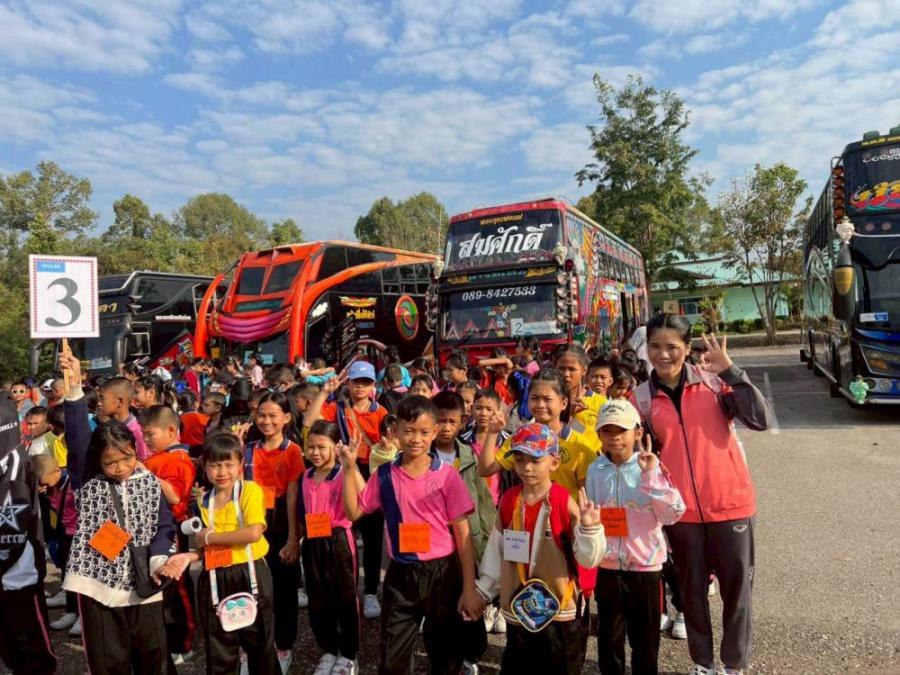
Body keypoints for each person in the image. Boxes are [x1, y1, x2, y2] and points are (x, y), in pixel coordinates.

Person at [632, 314, 771, 675]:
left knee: (737, 592)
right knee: (691, 593)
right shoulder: (641, 398)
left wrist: (732, 372)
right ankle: (703, 663)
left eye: (672, 347)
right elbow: (638, 455)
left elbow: (761, 420)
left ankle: (733, 665)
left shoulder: (714, 382)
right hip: (680, 513)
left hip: (731, 506)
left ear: (686, 347)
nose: (663, 355)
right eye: (655, 346)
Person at [338, 395, 483, 675]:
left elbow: (462, 534)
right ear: (395, 431)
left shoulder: (446, 476)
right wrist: (348, 469)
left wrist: (468, 588)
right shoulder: (384, 475)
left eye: (424, 432)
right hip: (401, 575)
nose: (416, 439)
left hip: (442, 574)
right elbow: (354, 512)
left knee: (444, 653)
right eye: (409, 431)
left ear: (434, 432)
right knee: (393, 657)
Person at [59, 352, 176, 675]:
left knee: (155, 659)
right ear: (97, 461)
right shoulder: (88, 479)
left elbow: (164, 526)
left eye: (127, 458)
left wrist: (159, 559)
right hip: (98, 587)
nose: (120, 467)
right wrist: (74, 387)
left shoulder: (148, 481)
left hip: (144, 581)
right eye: (110, 462)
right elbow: (78, 438)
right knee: (109, 662)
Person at [474, 423, 607, 675]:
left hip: (559, 612)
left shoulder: (563, 502)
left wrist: (590, 530)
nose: (527, 468)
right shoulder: (510, 500)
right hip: (519, 609)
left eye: (536, 460)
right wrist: (483, 591)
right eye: (520, 460)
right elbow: (496, 550)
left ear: (554, 463)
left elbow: (587, 558)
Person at [156, 432, 280, 675]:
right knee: (219, 646)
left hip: (250, 573)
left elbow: (253, 533)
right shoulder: (203, 502)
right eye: (215, 465)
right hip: (214, 577)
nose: (222, 472)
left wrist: (210, 538)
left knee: (260, 643)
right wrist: (190, 556)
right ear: (205, 466)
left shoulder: (249, 491)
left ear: (240, 465)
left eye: (228, 464)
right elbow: (203, 547)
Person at [586, 400, 686, 675]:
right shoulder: (595, 470)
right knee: (609, 639)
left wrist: (651, 475)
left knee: (645, 640)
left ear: (638, 432)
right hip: (607, 567)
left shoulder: (652, 466)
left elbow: (673, 513)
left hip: (645, 568)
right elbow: (592, 513)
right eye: (607, 431)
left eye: (622, 430)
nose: (614, 437)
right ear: (599, 435)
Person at [305, 360, 388, 620]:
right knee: (342, 530)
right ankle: (343, 587)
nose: (360, 387)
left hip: (369, 474)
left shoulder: (381, 412)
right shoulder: (337, 408)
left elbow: (390, 442)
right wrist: (323, 392)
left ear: (373, 385)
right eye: (356, 382)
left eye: (366, 382)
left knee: (373, 535)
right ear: (348, 384)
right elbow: (309, 422)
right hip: (341, 473)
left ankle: (371, 590)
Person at [431, 391, 496, 671]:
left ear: (462, 421)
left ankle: (472, 656)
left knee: (469, 602)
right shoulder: (420, 456)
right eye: (440, 420)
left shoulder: (470, 456)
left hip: (469, 541)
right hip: (436, 545)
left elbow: (485, 503)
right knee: (440, 605)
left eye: (452, 421)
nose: (445, 427)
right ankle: (445, 659)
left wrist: (490, 544)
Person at [243, 391, 305, 672]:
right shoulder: (247, 448)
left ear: (286, 418)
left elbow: (292, 496)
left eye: (273, 416)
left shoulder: (292, 451)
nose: (266, 421)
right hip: (251, 520)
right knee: (252, 585)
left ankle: (283, 644)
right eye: (261, 415)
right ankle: (253, 646)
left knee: (284, 587)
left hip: (280, 519)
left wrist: (293, 539)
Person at [299, 421, 363, 675]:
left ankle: (348, 654)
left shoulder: (343, 473)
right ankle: (329, 648)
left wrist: (351, 466)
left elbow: (364, 496)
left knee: (345, 598)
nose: (315, 452)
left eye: (322, 447)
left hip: (338, 541)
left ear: (336, 447)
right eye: (311, 447)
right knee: (318, 598)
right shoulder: (306, 476)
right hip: (312, 541)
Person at [0, 396, 58, 675]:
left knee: (31, 646)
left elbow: (16, 522)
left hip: (18, 572)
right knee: (8, 645)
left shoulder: (20, 466)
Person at [478, 369, 595, 500]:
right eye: (534, 398)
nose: (540, 405)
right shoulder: (520, 438)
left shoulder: (580, 445)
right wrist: (492, 433)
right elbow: (485, 470)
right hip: (528, 511)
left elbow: (587, 496)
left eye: (547, 399)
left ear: (563, 403)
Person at [141, 405, 198, 664]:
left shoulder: (178, 459)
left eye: (150, 434)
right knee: (163, 585)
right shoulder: (159, 457)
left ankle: (183, 643)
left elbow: (175, 497)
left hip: (173, 528)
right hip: (154, 528)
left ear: (171, 430)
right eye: (144, 434)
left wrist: (143, 472)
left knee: (177, 586)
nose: (146, 439)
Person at [33, 454, 79, 632]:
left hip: (77, 535)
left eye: (45, 482)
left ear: (57, 471)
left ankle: (81, 616)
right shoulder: (49, 487)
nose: (43, 485)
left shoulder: (74, 483)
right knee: (67, 573)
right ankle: (71, 610)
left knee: (78, 577)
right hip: (62, 534)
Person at [459, 388, 510, 507]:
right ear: (471, 409)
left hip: (498, 503)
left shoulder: (507, 441)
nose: (483, 413)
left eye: (489, 409)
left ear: (498, 411)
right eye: (478, 408)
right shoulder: (463, 440)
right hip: (470, 502)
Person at [98, 376, 151, 460]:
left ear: (119, 401)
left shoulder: (136, 430)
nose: (99, 403)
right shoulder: (109, 426)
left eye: (102, 398)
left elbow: (143, 459)